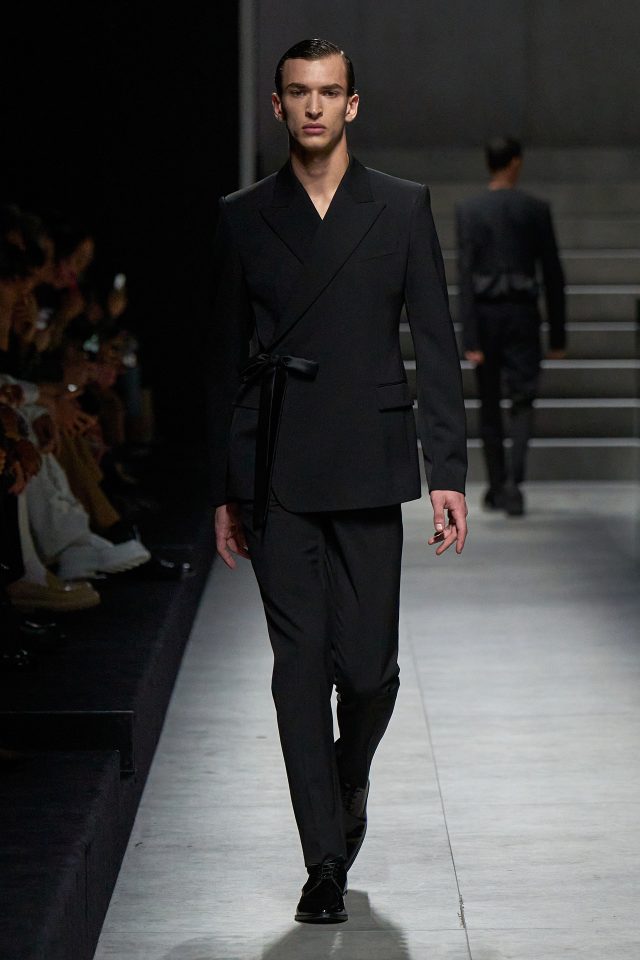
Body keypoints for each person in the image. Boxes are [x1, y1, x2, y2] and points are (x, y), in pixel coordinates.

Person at [208, 38, 468, 924]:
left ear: (352, 104)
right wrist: (224, 487)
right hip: (276, 466)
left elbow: (435, 341)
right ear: (277, 105)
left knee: (366, 673)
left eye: (328, 92)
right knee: (298, 668)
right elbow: (225, 362)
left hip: (367, 460)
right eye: (298, 92)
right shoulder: (244, 216)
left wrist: (448, 470)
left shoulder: (400, 206)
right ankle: (322, 859)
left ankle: (347, 780)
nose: (313, 107)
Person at [456, 137, 566, 516]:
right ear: (515, 162)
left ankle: (496, 484)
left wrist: (469, 336)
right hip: (522, 315)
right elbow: (552, 273)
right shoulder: (535, 209)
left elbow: (465, 276)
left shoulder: (469, 211)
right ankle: (513, 485)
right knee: (521, 401)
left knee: (488, 403)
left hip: (486, 317)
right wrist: (558, 335)